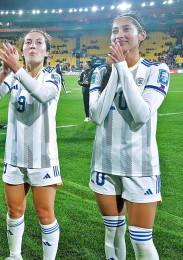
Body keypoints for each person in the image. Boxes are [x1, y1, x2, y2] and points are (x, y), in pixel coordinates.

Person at [88, 13, 170, 260]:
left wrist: (122, 68)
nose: (119, 35)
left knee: (141, 240)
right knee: (112, 234)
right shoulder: (100, 72)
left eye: (126, 29)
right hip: (104, 163)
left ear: (141, 36)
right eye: (114, 31)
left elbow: (142, 113)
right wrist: (115, 71)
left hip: (140, 166)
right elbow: (97, 116)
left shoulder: (157, 69)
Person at [0, 29, 62, 260]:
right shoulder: (13, 75)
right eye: (28, 42)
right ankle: (14, 255)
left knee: (45, 214)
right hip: (14, 157)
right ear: (22, 49)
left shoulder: (52, 75)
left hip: (42, 158)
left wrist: (16, 70)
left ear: (47, 52)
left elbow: (44, 95)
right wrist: (3, 73)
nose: (33, 46)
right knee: (14, 210)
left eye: (39, 43)